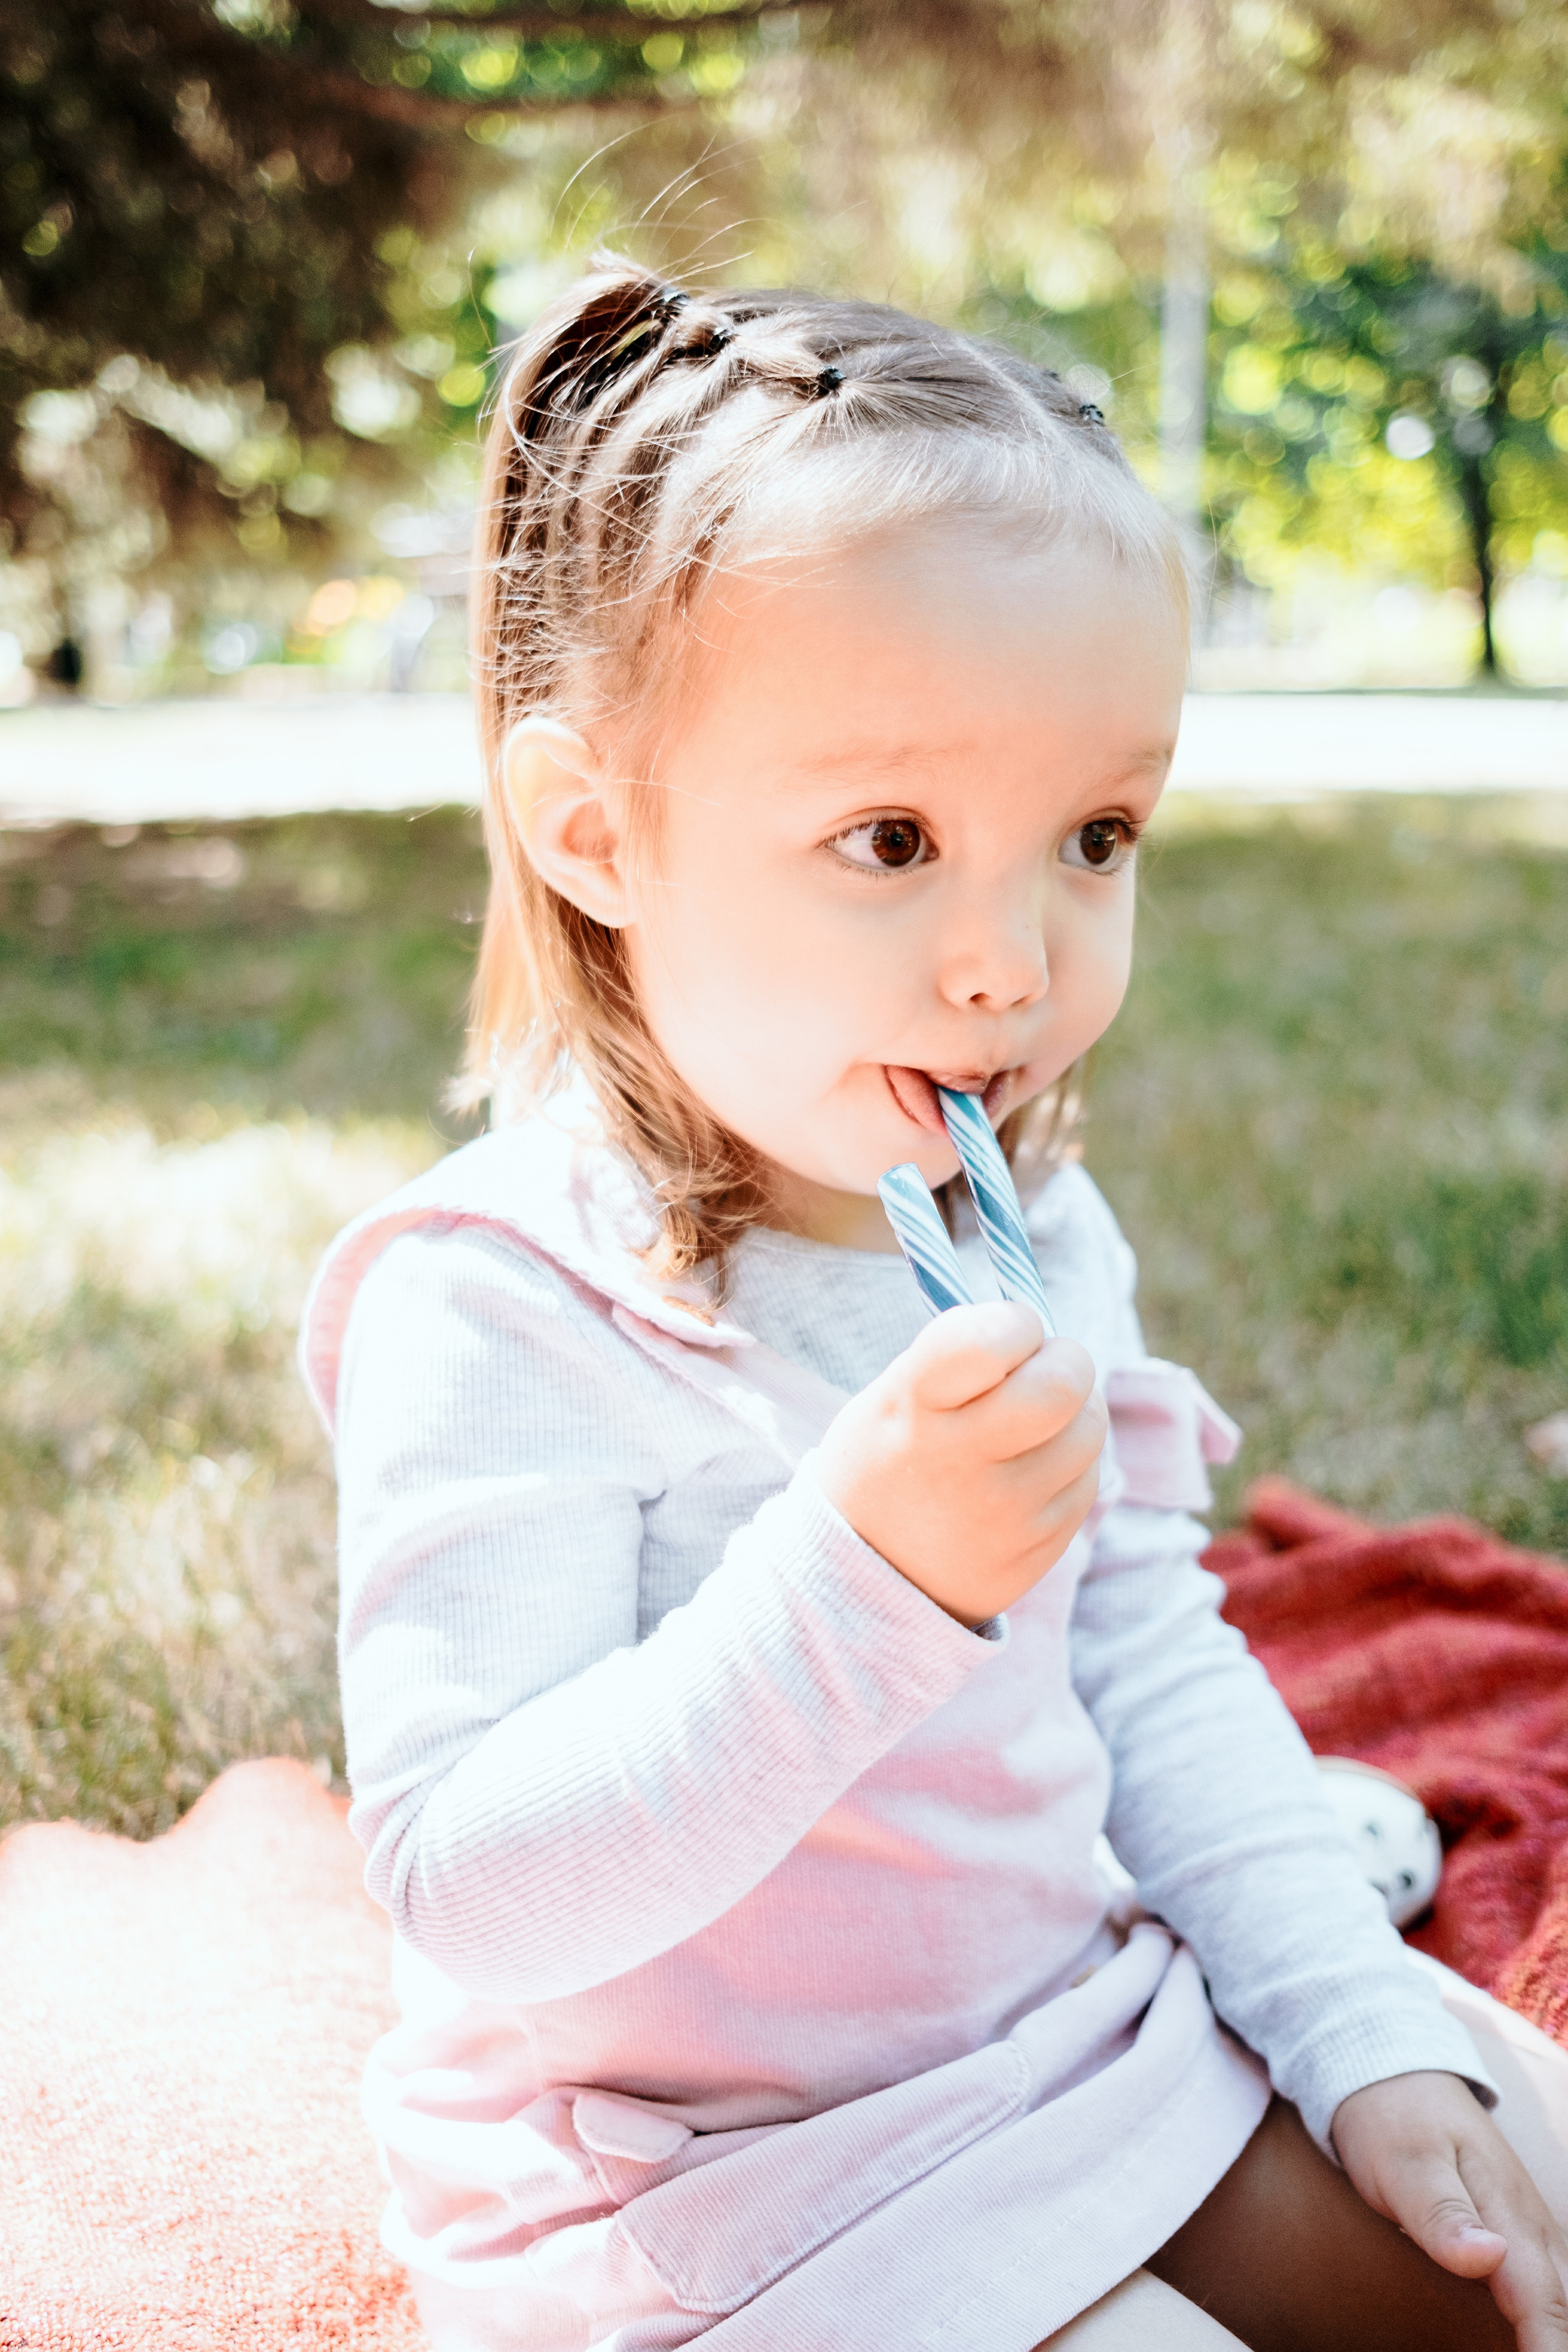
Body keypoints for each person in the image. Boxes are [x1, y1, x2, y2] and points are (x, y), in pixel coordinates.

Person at [301, 257, 1568, 2351]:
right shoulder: (501, 1305)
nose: (1013, 959)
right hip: (710, 2185)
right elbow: (472, 1887)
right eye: (891, 838)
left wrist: (1362, 2040)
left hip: (1065, 2028)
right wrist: (869, 1577)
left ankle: (1339, 1926)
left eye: (1092, 834)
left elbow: (1147, 1660)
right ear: (595, 829)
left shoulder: (1036, 1231)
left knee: (1510, 2221)